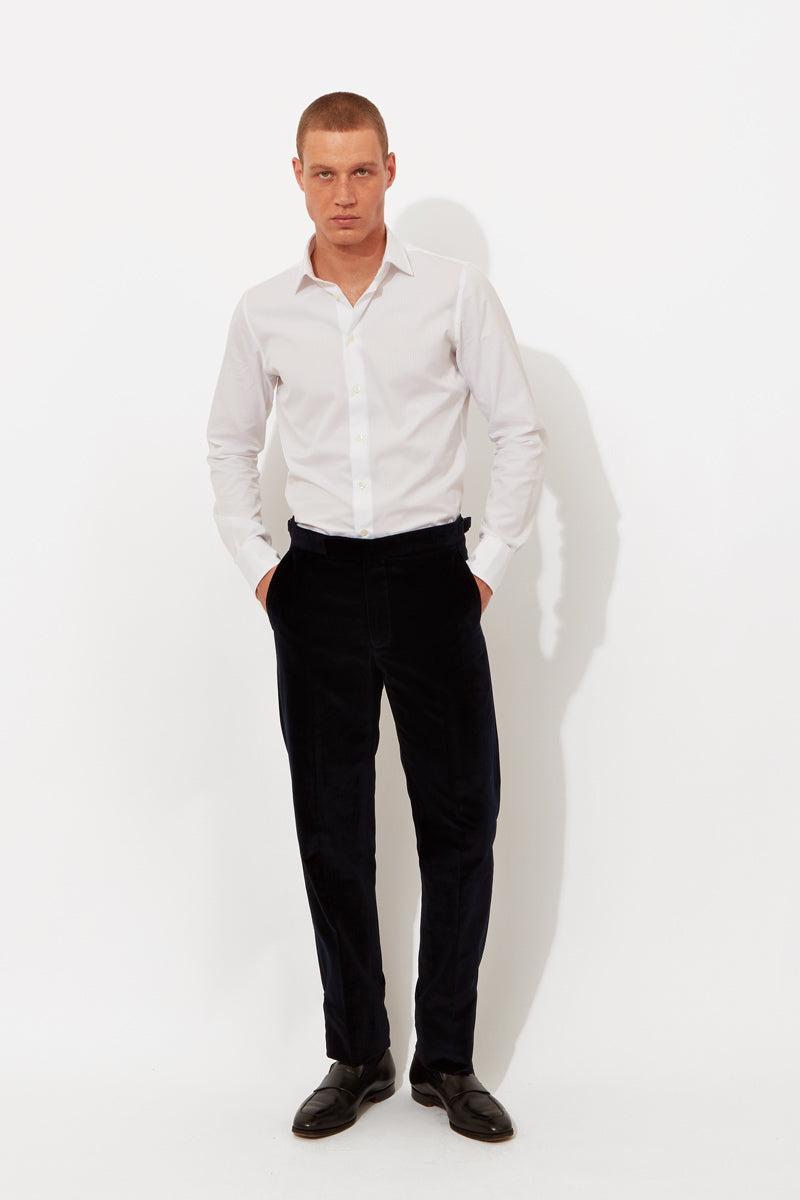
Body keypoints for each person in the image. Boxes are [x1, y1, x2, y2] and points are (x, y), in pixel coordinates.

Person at [207, 92, 547, 1142]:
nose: (343, 193)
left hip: (431, 574)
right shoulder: (264, 311)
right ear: (298, 177)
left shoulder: (453, 292)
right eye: (324, 173)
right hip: (315, 584)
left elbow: (519, 429)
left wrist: (482, 569)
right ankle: (357, 1053)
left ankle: (446, 1060)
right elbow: (228, 444)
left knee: (461, 821)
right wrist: (265, 573)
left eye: (361, 171)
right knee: (332, 829)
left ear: (389, 171)